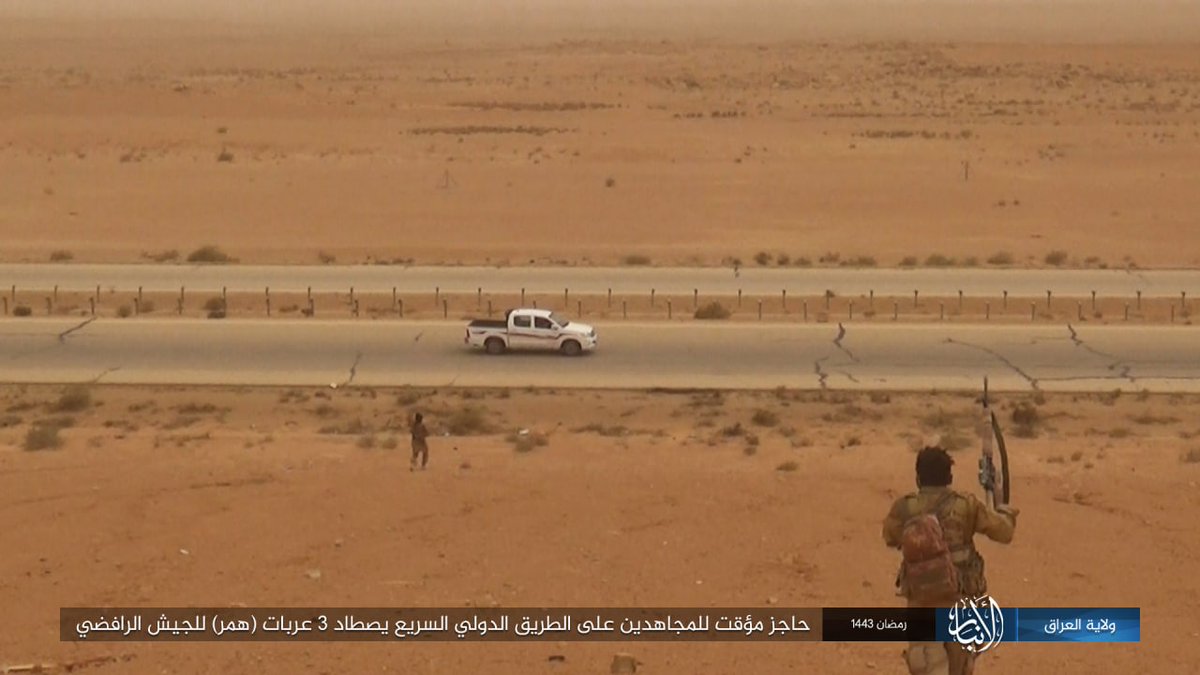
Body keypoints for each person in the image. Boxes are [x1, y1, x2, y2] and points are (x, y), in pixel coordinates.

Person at [882, 445, 1018, 675]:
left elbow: (890, 537)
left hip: (920, 602)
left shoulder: (905, 507)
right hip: (959, 601)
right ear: (950, 477)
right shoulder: (965, 505)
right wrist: (1003, 508)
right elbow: (1004, 533)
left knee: (925, 665)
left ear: (917, 477)